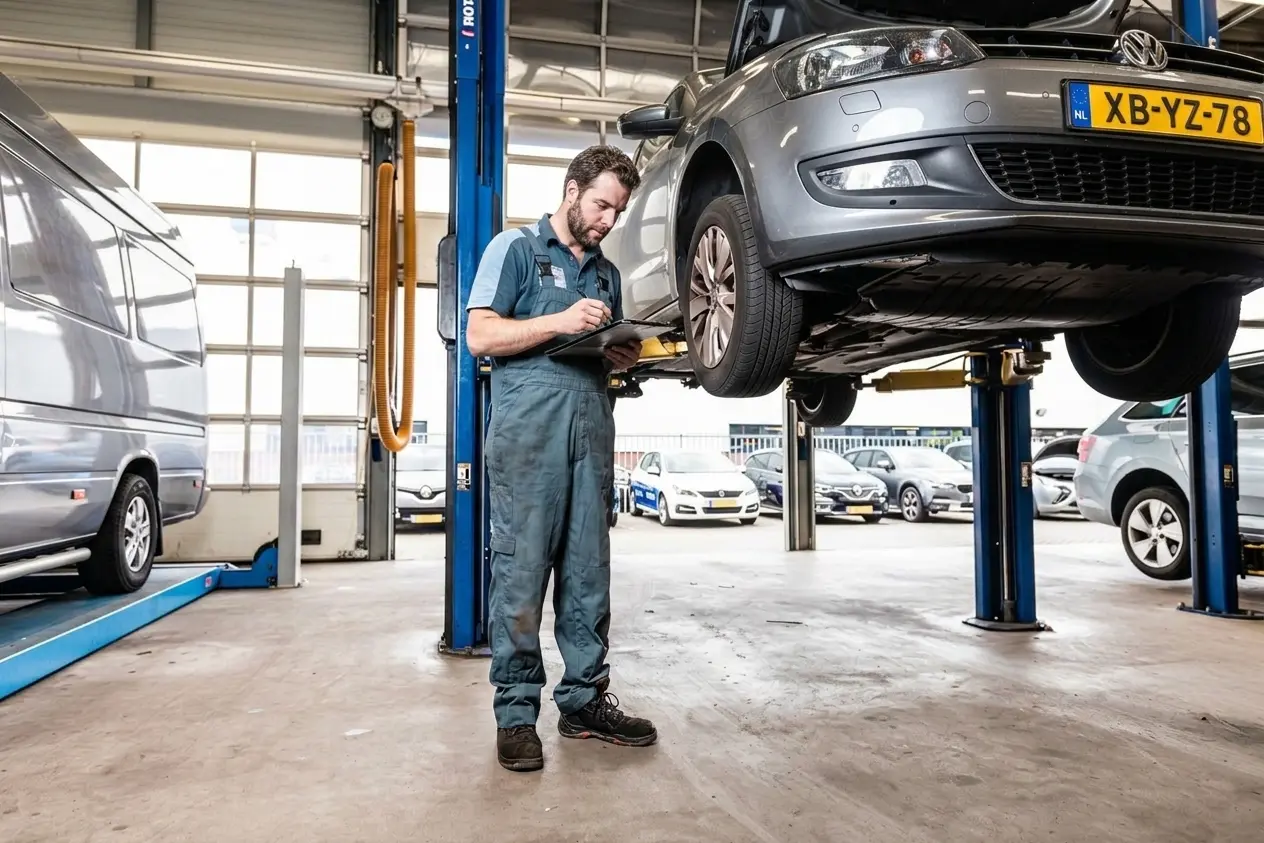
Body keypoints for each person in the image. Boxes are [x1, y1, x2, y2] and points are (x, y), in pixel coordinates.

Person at [464, 145, 657, 773]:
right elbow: (480, 335)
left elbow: (598, 349)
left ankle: (583, 702)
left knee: (587, 577)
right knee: (521, 578)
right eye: (601, 205)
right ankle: (517, 715)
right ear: (571, 190)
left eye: (617, 212)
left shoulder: (606, 275)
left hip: (590, 437)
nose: (608, 220)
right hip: (528, 441)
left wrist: (619, 356)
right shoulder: (515, 250)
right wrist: (559, 321)